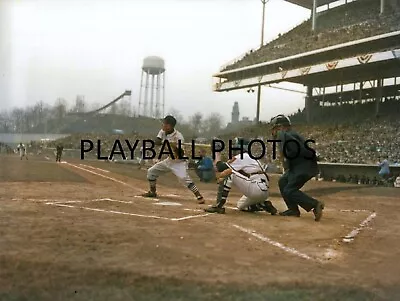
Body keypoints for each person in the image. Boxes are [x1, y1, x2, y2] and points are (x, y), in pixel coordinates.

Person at [270, 114, 324, 221]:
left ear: (280, 127)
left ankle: (315, 204)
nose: (273, 132)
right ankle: (293, 210)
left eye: (274, 128)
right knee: (283, 182)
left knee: (289, 191)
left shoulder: (284, 135)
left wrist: (286, 161)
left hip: (303, 166)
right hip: (298, 166)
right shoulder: (290, 134)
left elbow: (294, 151)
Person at [204, 137, 277, 215]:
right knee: (241, 205)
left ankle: (218, 206)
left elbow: (220, 167)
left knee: (230, 173)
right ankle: (263, 204)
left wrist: (217, 153)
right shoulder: (252, 159)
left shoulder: (242, 156)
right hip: (263, 192)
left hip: (255, 188)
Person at [141, 115, 205, 204]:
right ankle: (152, 192)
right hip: (169, 160)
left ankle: (199, 196)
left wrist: (174, 147)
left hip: (179, 161)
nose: (163, 125)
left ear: (170, 126)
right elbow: (157, 141)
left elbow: (180, 154)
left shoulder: (179, 137)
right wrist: (165, 143)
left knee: (183, 178)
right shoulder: (162, 131)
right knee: (151, 172)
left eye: (165, 124)